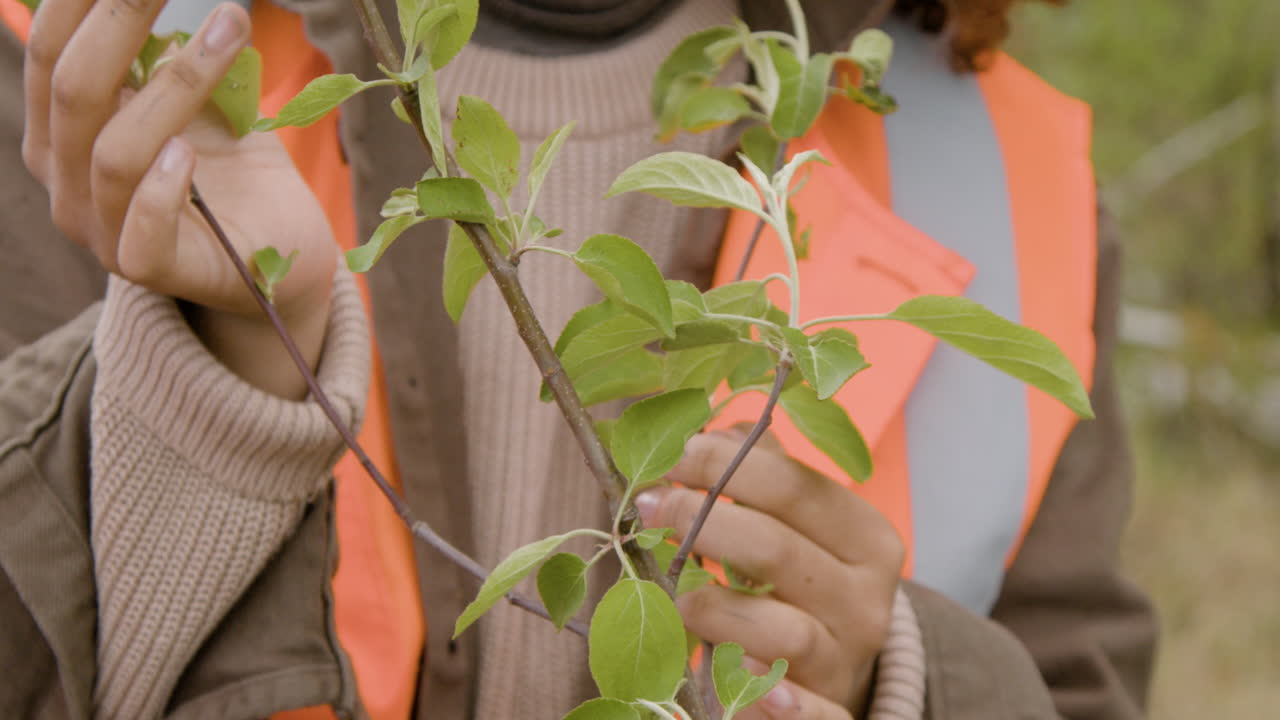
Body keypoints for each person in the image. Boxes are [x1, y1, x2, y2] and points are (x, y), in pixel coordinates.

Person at [0, 0, 1158, 718]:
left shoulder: (998, 171)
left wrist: (896, 684)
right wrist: (223, 381)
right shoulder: (82, 72)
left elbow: (1069, 685)